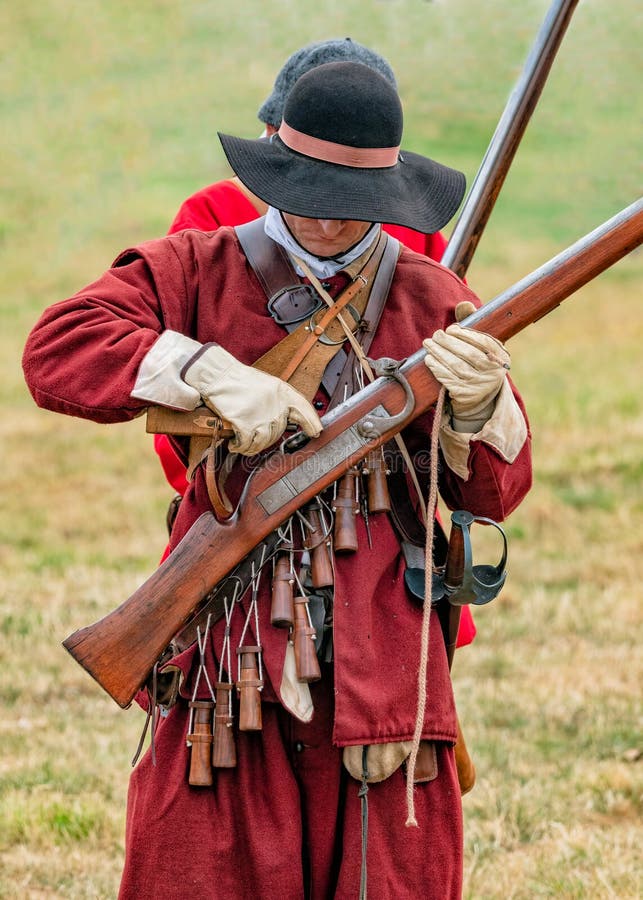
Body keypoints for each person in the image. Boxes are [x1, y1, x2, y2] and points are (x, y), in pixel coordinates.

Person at [23, 61, 532, 899]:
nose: (330, 218)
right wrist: (202, 371)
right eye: (311, 188)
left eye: (352, 199)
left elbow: (494, 495)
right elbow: (58, 351)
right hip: (225, 640)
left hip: (384, 654)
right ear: (276, 171)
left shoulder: (431, 295)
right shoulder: (193, 265)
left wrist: (482, 411)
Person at [157, 37, 478, 647]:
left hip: (381, 521)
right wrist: (225, 492)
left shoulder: (410, 238)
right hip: (242, 504)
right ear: (275, 135)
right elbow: (174, 388)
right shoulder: (216, 216)